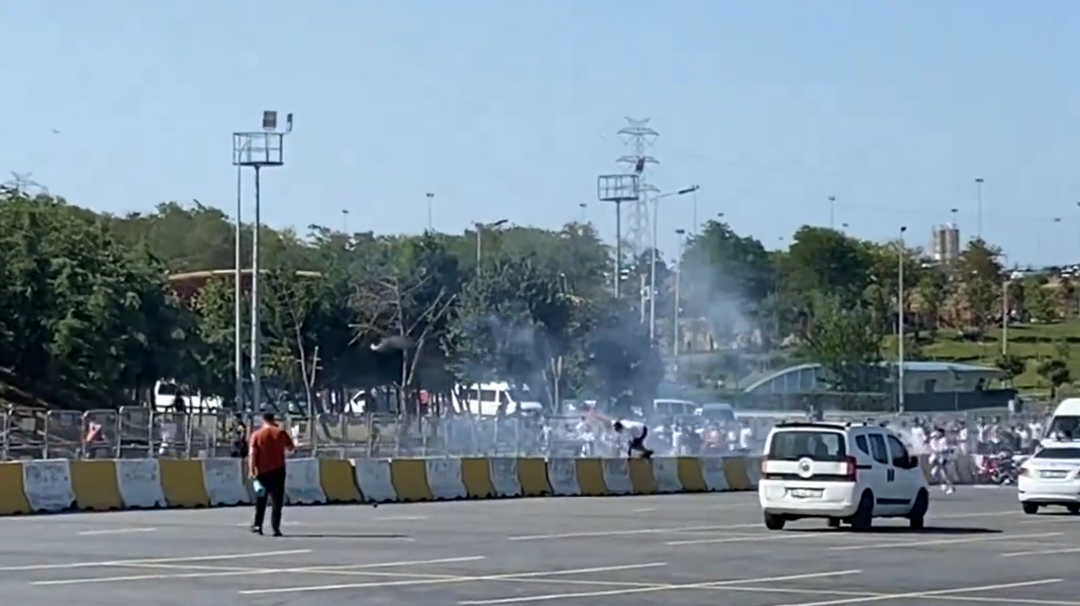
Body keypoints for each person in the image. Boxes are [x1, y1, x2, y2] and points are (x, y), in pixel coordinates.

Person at [248, 412, 294, 536]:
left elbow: (253, 454)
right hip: (278, 470)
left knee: (261, 499)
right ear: (273, 420)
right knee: (277, 501)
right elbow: (291, 448)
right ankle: (275, 527)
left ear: (263, 420)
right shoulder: (280, 433)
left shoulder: (256, 435)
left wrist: (252, 470)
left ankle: (258, 525)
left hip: (262, 471)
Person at [928, 427, 955, 495]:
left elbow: (945, 449)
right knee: (934, 473)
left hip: (944, 459)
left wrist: (941, 452)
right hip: (939, 458)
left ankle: (950, 487)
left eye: (938, 433)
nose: (937, 434)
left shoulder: (944, 440)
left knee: (945, 474)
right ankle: (944, 484)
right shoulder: (937, 440)